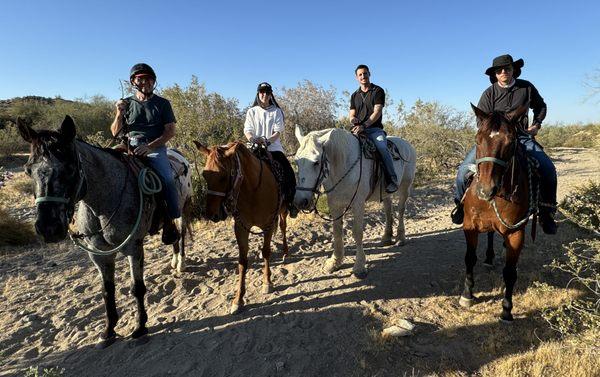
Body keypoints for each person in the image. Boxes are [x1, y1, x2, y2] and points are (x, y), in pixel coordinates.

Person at [451, 54, 557, 234]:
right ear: (495, 74)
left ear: (513, 70)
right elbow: (481, 121)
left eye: (507, 68)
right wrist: (493, 134)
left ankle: (546, 212)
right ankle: (459, 206)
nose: (503, 72)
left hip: (521, 136)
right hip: (494, 141)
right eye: (499, 70)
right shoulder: (489, 93)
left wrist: (537, 124)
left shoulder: (526, 87)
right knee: (463, 172)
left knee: (548, 169)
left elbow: (541, 106)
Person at [110, 63, 181, 244]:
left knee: (167, 179)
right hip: (128, 146)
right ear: (133, 81)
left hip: (154, 148)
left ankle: (171, 219)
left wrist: (150, 146)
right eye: (140, 78)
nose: (145, 82)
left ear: (153, 82)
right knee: (104, 168)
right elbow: (114, 132)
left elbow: (170, 131)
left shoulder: (163, 104)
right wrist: (119, 113)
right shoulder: (126, 103)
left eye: (149, 79)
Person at [243, 82, 298, 218]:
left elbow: (278, 132)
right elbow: (248, 130)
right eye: (262, 92)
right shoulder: (252, 111)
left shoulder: (277, 111)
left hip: (273, 148)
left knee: (288, 172)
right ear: (258, 93)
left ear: (270, 94)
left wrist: (267, 142)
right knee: (239, 170)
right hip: (254, 148)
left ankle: (291, 204)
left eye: (267, 92)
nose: (264, 94)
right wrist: (252, 140)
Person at [349, 64, 398, 193]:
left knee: (382, 147)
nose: (363, 76)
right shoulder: (354, 95)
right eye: (360, 74)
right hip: (358, 130)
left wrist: (364, 125)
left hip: (375, 130)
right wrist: (353, 120)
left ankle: (392, 179)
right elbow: (352, 114)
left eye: (365, 73)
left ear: (369, 74)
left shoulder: (378, 91)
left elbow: (377, 112)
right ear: (356, 77)